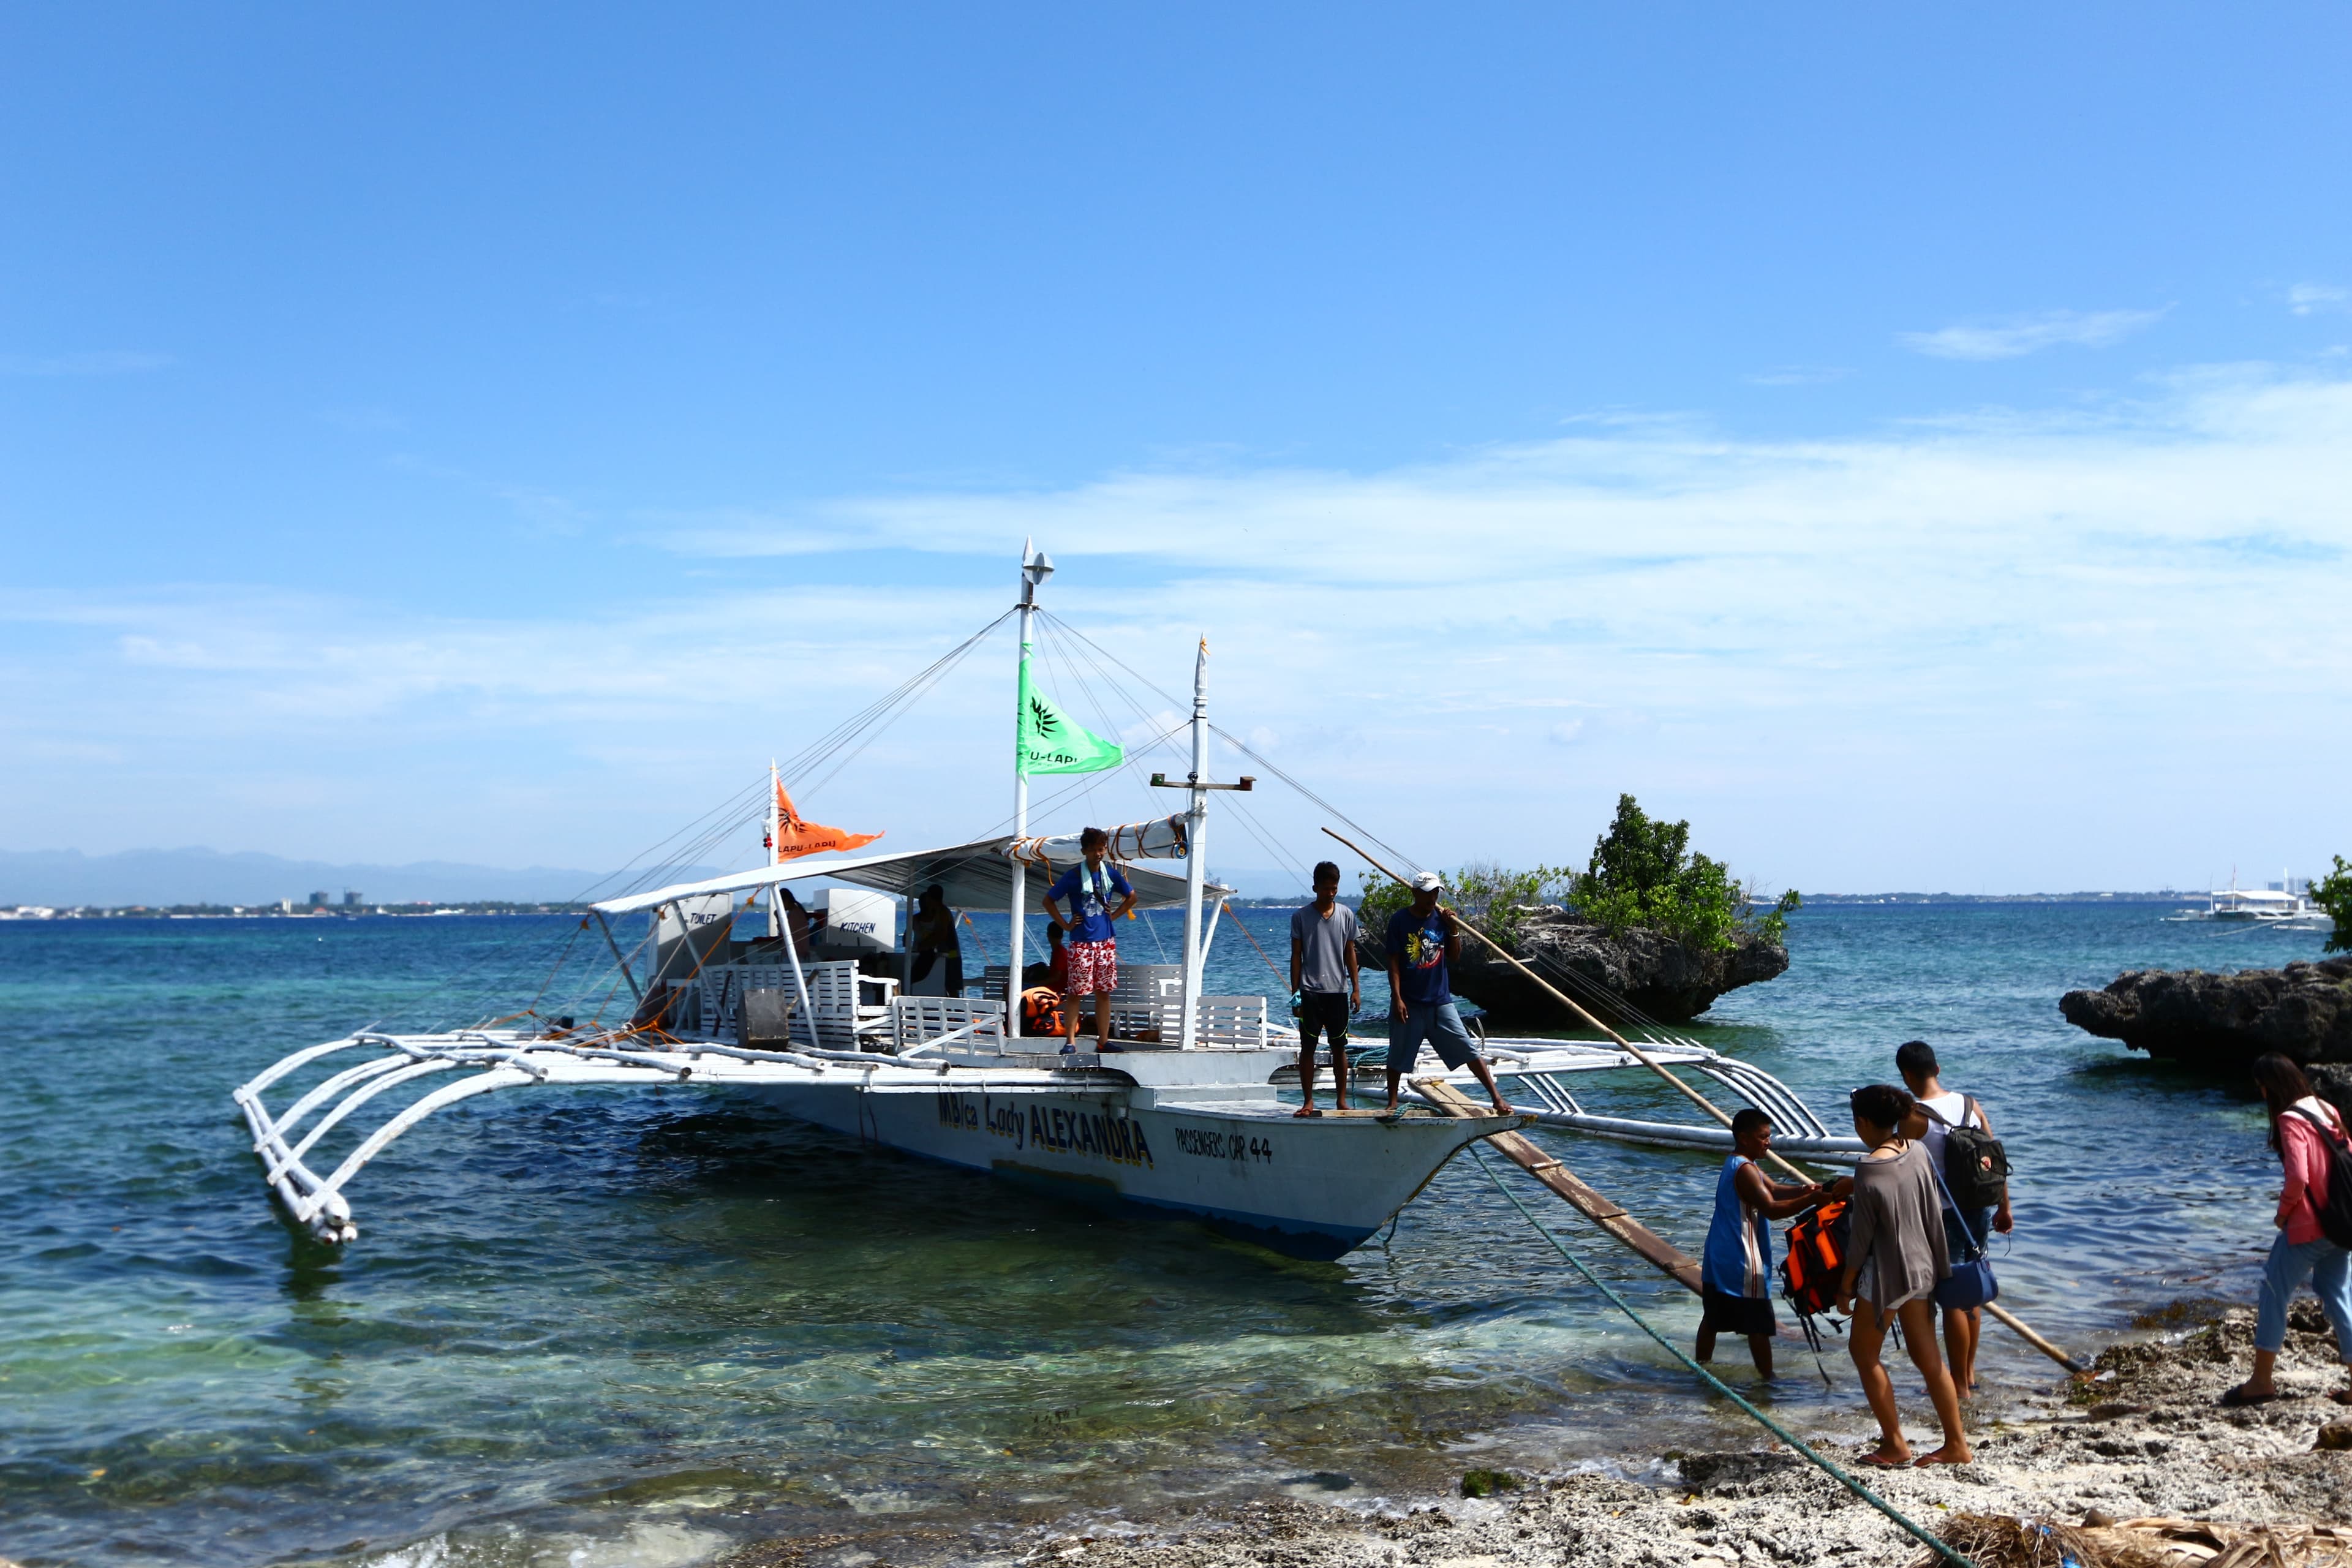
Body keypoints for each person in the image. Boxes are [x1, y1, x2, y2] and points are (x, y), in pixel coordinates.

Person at [1838, 1082, 1970, 1468]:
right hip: (1924, 1266)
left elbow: (1861, 1240)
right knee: (1929, 1358)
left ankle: (1895, 1444)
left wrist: (1846, 1285)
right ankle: (1956, 1444)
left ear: (1862, 1122)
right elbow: (1931, 1208)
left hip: (1887, 1274)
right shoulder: (1917, 1150)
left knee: (1863, 1353)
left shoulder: (1868, 1167)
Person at [2223, 1053, 2352, 1407]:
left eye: (2262, 1088)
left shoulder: (2290, 1119)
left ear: (2273, 1085)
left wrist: (2282, 1215)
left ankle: (2261, 1382)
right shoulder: (2326, 1109)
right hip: (2342, 1223)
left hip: (2310, 1226)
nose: (2262, 1096)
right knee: (2339, 1295)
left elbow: (2298, 1177)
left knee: (2273, 1291)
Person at [1895, 1039, 2012, 1396]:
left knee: (1952, 1301)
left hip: (1942, 1218)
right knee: (1971, 1292)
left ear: (1907, 1075)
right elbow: (1996, 1160)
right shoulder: (1969, 1104)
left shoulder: (1913, 1116)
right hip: (1978, 1209)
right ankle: (1970, 1374)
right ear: (1938, 1069)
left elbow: (1896, 1165)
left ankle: (1958, 1386)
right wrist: (2005, 1208)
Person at [1697, 1109, 1828, 1377]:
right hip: (1742, 1257)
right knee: (1758, 1324)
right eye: (1763, 1137)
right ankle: (1768, 1383)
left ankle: (1701, 1369)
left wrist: (1807, 1189)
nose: (1768, 1142)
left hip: (1719, 1254)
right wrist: (1812, 1201)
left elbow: (1774, 1190)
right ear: (1744, 1138)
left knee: (1713, 1316)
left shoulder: (1739, 1162)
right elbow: (1771, 1209)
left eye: (1769, 1136)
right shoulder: (1746, 1171)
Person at [1382, 871, 1511, 1117]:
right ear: (1415, 893)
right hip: (1409, 1001)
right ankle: (1392, 1102)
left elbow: (1454, 956)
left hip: (1440, 1001)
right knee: (1398, 1054)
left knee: (1467, 1049)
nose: (1433, 897)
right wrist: (1397, 998)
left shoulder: (1441, 920)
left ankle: (1496, 1097)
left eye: (1436, 892)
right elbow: (1394, 964)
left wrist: (1453, 928)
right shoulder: (1399, 921)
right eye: (1428, 892)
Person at [1042, 828, 1135, 1054]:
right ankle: (1070, 1042)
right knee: (1076, 992)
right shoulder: (1073, 876)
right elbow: (1048, 900)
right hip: (1081, 942)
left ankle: (1103, 1041)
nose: (1097, 854)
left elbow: (1132, 897)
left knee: (1104, 992)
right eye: (1093, 850)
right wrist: (1065, 925)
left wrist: (1113, 917)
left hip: (1105, 941)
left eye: (1101, 849)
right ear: (1084, 851)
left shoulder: (1110, 874)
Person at [1289, 861, 1362, 1117]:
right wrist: (1295, 992)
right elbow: (1296, 956)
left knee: (1339, 1047)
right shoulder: (1301, 917)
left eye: (1335, 888)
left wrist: (1355, 988)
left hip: (1338, 991)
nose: (1331, 893)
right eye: (1326, 888)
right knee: (1308, 1046)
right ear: (1315, 887)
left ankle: (1341, 1100)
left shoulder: (1346, 915)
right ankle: (1308, 1100)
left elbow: (1350, 952)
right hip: (1310, 991)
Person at [909, 884, 962, 997]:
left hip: (951, 953)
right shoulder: (940, 911)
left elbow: (941, 934)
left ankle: (958, 1011)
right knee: (946, 983)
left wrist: (925, 945)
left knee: (951, 984)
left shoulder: (942, 912)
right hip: (947, 952)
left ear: (930, 897)